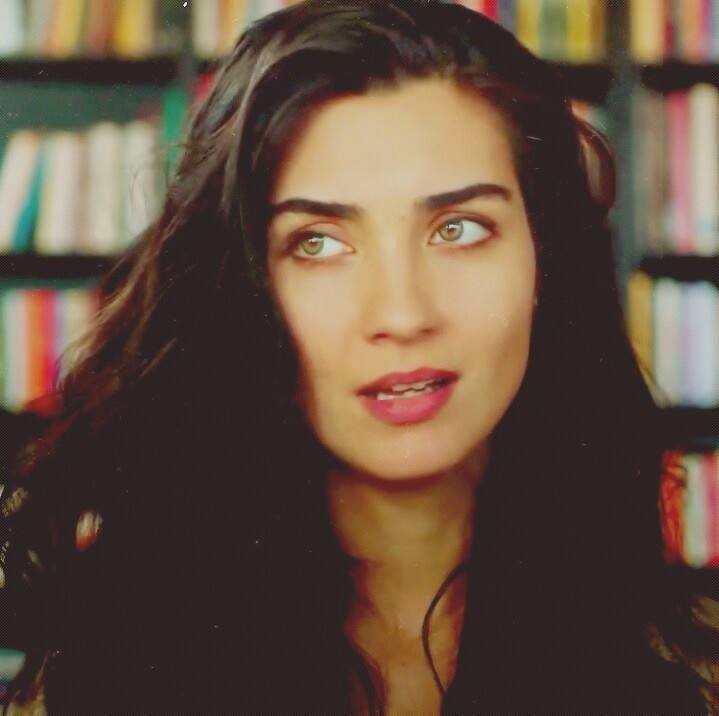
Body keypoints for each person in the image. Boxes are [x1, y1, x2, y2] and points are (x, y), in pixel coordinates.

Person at [0, 1, 715, 712]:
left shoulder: (690, 677)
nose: (402, 314)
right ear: (240, 286)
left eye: (459, 229)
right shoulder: (97, 679)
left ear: (542, 262)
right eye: (316, 243)